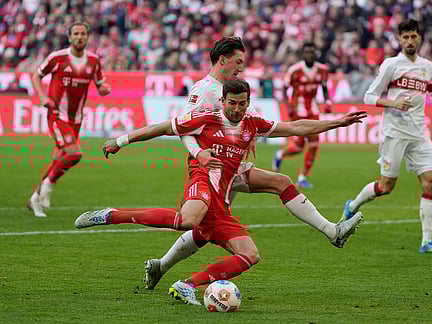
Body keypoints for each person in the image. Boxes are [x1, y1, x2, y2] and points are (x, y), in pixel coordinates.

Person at [75, 79, 367, 305]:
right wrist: (121, 140)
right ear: (223, 100)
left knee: (249, 255)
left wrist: (336, 123)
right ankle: (111, 215)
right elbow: (162, 127)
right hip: (202, 180)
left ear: (248, 102)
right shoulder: (206, 117)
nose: (237, 109)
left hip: (222, 201)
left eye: (242, 104)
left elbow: (295, 127)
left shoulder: (253, 124)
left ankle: (187, 285)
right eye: (232, 103)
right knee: (189, 219)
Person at [142, 37, 357, 291]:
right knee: (211, 226)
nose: (241, 67)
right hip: (213, 169)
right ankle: (174, 275)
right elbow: (183, 129)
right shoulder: (205, 89)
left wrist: (248, 135)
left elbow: (244, 121)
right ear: (223, 60)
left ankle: (161, 267)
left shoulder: (230, 89)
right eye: (239, 61)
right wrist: (200, 153)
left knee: (215, 223)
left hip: (230, 167)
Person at [341, 19, 432, 255]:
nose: (410, 41)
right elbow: (369, 96)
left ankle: (426, 242)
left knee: (431, 181)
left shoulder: (427, 66)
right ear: (399, 39)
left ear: (420, 38)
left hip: (419, 134)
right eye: (406, 37)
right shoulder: (391, 65)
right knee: (386, 186)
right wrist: (392, 102)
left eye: (414, 36)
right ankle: (352, 205)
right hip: (394, 133)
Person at [27, 21, 111, 217]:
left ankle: (35, 197)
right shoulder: (57, 58)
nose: (80, 37)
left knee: (59, 158)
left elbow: (100, 84)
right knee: (74, 154)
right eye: (76, 33)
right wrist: (42, 97)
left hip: (76, 119)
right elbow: (35, 76)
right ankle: (47, 187)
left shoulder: (94, 61)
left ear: (88, 37)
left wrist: (104, 89)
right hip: (57, 114)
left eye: (83, 34)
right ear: (69, 37)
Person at [272, 42, 333, 188]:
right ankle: (280, 155)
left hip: (313, 111)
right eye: (307, 52)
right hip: (297, 112)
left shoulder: (322, 70)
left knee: (314, 144)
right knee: (298, 147)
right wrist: (288, 107)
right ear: (303, 54)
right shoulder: (295, 70)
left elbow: (324, 88)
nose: (309, 55)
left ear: (315, 54)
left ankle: (302, 177)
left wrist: (328, 102)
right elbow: (284, 88)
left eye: (312, 52)